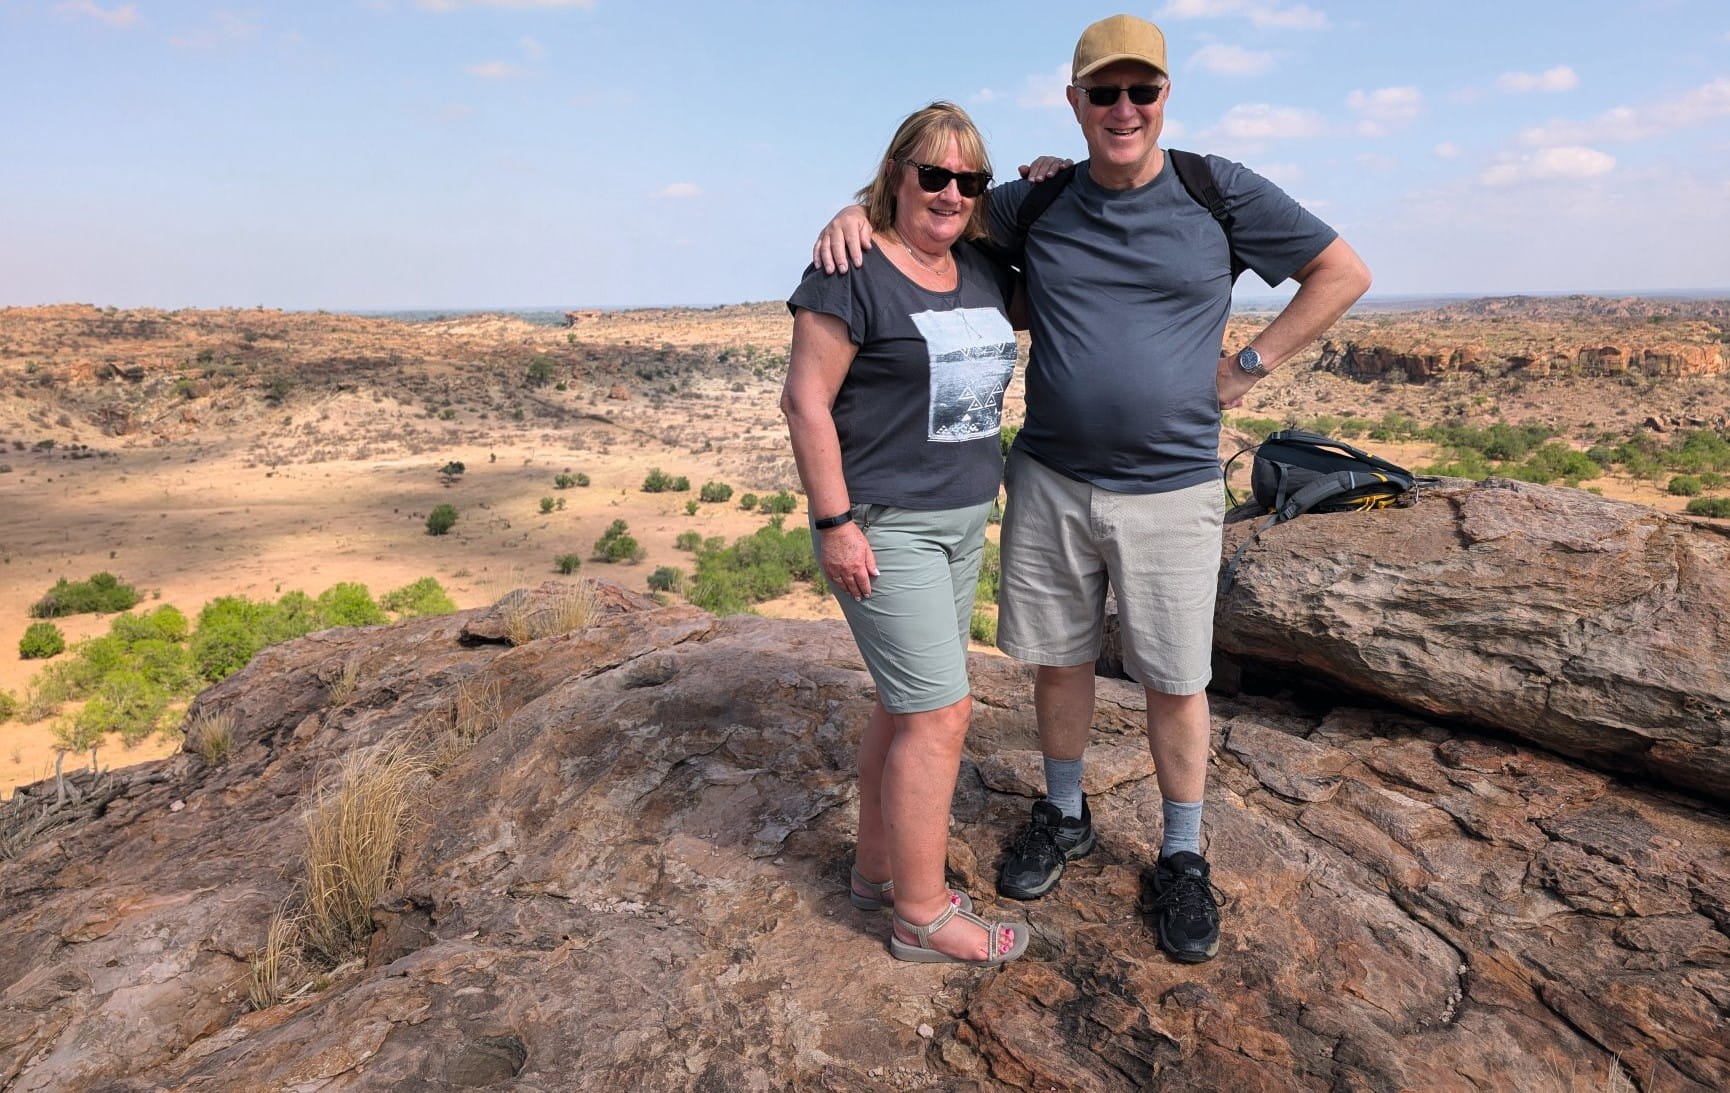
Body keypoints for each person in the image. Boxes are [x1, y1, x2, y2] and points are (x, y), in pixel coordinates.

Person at [812, 14, 1371, 963]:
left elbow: (1342, 271)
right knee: (1060, 658)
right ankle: (1065, 812)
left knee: (1174, 676)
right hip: (1053, 477)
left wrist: (1249, 362)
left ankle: (1182, 853)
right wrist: (851, 216)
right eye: (1102, 92)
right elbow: (930, 220)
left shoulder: (1216, 189)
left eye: (1139, 91)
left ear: (1163, 98)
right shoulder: (1041, 201)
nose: (1123, 108)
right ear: (1074, 103)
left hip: (1172, 485)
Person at [781, 101, 1030, 966]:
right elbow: (804, 401)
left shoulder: (981, 270)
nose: (951, 192)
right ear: (896, 175)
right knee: (942, 712)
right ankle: (921, 915)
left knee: (905, 701)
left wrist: (1043, 175)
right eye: (933, 174)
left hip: (962, 521)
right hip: (886, 525)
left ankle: (877, 872)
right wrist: (835, 523)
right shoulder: (849, 270)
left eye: (970, 180)